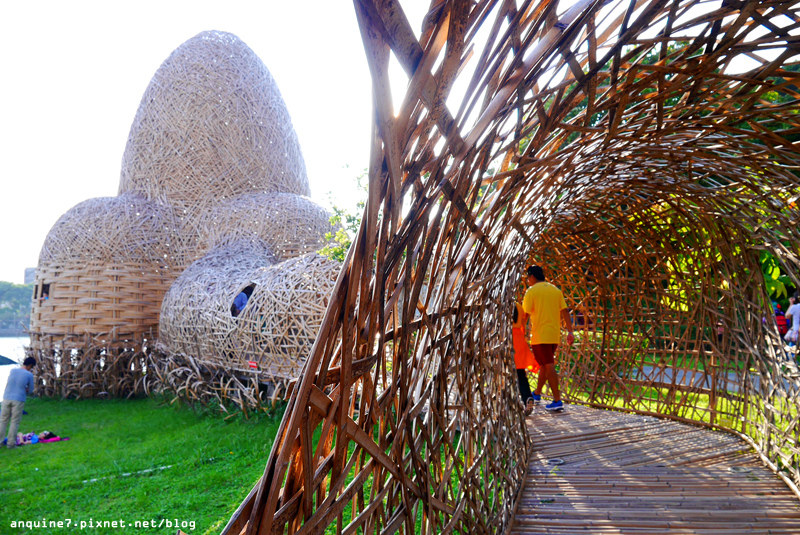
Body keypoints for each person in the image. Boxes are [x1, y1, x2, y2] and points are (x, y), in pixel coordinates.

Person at [523, 265, 574, 412]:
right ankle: (537, 393)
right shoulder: (555, 290)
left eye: (528, 278)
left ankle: (557, 400)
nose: (528, 281)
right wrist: (570, 332)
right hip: (553, 336)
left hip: (540, 335)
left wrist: (520, 333)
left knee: (549, 364)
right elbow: (565, 311)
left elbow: (525, 315)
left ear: (532, 277)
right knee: (545, 364)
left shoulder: (531, 291)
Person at [0, 356, 36, 450]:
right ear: (30, 366)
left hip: (6, 398)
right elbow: (31, 390)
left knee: (3, 421)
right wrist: (26, 389)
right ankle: (11, 444)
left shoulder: (12, 370)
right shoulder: (29, 375)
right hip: (18, 399)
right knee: (14, 422)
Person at [512, 302, 539, 415]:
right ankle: (527, 397)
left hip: (507, 338)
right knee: (521, 374)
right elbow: (523, 326)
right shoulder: (518, 306)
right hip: (519, 339)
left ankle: (509, 403)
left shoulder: (499, 304)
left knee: (504, 374)